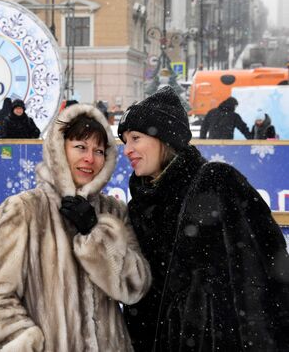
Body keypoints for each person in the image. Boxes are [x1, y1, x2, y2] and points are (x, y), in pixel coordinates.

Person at [118, 86, 289, 351]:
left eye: (136, 138)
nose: (127, 150)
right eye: (125, 141)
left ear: (164, 139)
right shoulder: (140, 207)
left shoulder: (216, 182)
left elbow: (265, 273)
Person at [0, 104, 151, 350]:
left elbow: (135, 287)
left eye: (99, 151)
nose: (90, 158)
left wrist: (95, 234)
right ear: (58, 150)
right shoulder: (25, 210)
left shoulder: (113, 212)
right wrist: (30, 342)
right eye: (80, 147)